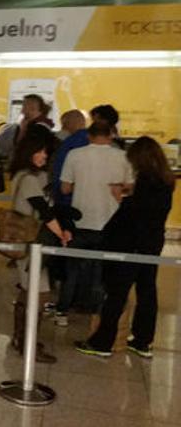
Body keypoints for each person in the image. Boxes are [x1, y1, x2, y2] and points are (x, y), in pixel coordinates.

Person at [75, 136, 174, 358]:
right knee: (147, 291)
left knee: (117, 293)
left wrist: (120, 197)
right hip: (152, 243)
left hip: (132, 245)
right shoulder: (166, 181)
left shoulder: (146, 182)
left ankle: (102, 342)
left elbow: (133, 215)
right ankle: (142, 340)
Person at [56, 120, 134, 326]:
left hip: (79, 221)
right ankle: (96, 314)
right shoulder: (123, 156)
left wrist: (83, 186)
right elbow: (130, 187)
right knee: (102, 270)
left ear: (89, 135)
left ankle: (62, 311)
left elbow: (64, 188)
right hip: (110, 221)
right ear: (111, 134)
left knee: (72, 269)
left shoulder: (75, 155)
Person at [7, 136, 71, 363]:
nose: (44, 156)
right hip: (30, 242)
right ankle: (27, 343)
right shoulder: (30, 179)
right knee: (40, 294)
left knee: (28, 290)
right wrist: (61, 233)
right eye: (40, 151)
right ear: (29, 152)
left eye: (46, 152)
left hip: (27, 242)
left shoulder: (23, 175)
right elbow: (43, 210)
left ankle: (21, 338)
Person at [52, 105, 120, 207]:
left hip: (72, 202)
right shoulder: (118, 151)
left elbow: (64, 186)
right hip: (105, 204)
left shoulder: (72, 144)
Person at [0, 94, 55, 160]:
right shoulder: (43, 126)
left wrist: (22, 130)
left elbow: (22, 149)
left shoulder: (38, 129)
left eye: (23, 106)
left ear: (32, 107)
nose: (22, 111)